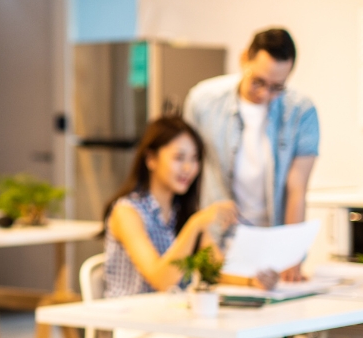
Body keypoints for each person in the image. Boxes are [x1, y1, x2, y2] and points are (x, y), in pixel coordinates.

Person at [183, 27, 319, 281]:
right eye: (258, 82)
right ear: (244, 58)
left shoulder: (302, 111)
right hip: (219, 242)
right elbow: (189, 174)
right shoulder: (203, 101)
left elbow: (297, 188)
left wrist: (292, 255)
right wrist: (200, 238)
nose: (265, 94)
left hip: (272, 241)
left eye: (277, 87)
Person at [103, 116, 272, 298]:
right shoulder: (127, 211)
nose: (188, 168)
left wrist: (252, 280)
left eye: (194, 159)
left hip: (170, 318)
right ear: (151, 159)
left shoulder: (181, 212)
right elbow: (161, 281)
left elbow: (215, 270)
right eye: (179, 158)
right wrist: (196, 224)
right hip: (129, 321)